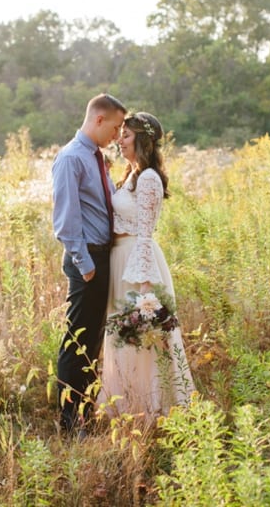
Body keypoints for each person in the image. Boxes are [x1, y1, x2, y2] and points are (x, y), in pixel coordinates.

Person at [97, 112, 195, 421]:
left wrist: (145, 292)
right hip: (120, 260)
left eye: (125, 135)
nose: (119, 140)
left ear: (142, 140)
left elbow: (144, 233)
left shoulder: (149, 178)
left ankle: (152, 410)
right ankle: (126, 407)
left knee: (142, 336)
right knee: (121, 337)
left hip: (137, 265)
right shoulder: (130, 174)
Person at [52, 93, 127, 435]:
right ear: (99, 120)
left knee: (93, 341)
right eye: (114, 127)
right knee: (77, 341)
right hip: (88, 261)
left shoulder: (96, 158)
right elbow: (66, 223)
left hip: (101, 257)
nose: (116, 135)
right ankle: (69, 423)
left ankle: (85, 412)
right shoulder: (70, 158)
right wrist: (87, 267)